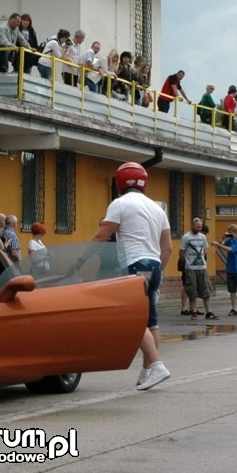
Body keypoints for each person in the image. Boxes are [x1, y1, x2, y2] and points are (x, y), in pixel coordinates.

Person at [72, 162, 172, 391]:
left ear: (120, 183)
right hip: (155, 264)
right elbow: (167, 248)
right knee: (151, 323)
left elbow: (100, 237)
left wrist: (80, 260)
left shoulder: (120, 204)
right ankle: (148, 371)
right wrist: (160, 269)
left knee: (133, 320)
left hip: (135, 264)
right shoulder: (157, 209)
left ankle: (157, 365)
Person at [181, 217, 215, 319]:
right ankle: (194, 312)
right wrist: (185, 263)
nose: (199, 228)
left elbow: (205, 250)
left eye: (200, 226)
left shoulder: (203, 237)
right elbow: (181, 252)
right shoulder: (186, 237)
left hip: (202, 267)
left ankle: (209, 312)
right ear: (192, 226)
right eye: (197, 227)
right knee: (192, 291)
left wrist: (202, 260)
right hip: (190, 268)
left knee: (206, 290)